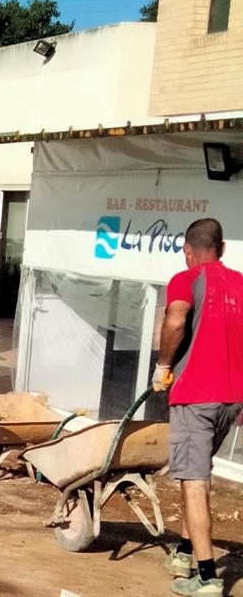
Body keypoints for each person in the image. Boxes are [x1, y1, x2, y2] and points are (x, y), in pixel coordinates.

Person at [153, 218, 243, 597]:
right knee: (198, 473)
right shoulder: (240, 283)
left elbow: (175, 320)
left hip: (194, 395)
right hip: (231, 398)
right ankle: (185, 553)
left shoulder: (185, 280)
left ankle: (206, 577)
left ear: (186, 251)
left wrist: (163, 366)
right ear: (222, 249)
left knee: (194, 483)